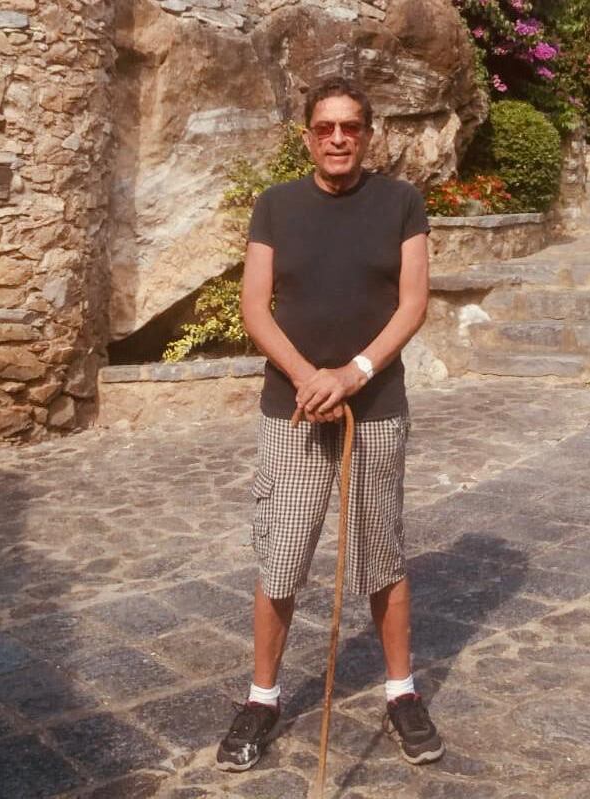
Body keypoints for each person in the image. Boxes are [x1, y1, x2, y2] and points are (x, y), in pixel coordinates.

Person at [215, 76, 444, 772]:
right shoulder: (275, 205)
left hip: (374, 407)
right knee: (281, 554)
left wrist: (352, 373)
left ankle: (401, 692)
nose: (338, 139)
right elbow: (255, 305)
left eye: (350, 127)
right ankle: (262, 698)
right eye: (325, 128)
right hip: (291, 409)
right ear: (307, 136)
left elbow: (412, 303)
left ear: (368, 135)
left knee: (381, 553)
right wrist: (307, 376)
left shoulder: (401, 202)